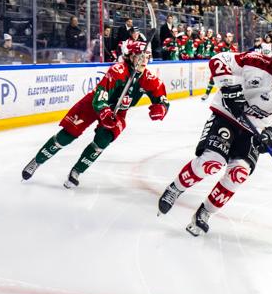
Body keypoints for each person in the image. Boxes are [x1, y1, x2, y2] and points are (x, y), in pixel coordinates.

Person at [157, 39, 272, 237]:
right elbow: (218, 60)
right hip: (226, 116)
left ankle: (205, 212)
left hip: (254, 131)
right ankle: (176, 188)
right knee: (211, 163)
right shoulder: (255, 62)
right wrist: (228, 87)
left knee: (239, 173)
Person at [21, 40, 169, 187]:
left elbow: (162, 98)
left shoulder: (149, 79)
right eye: (140, 56)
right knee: (67, 135)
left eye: (147, 56)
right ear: (130, 56)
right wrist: (104, 111)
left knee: (103, 141)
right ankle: (37, 161)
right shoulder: (118, 71)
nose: (144, 61)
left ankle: (77, 171)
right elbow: (100, 95)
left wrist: (161, 108)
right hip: (92, 105)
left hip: (118, 113)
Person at [202, 33, 240, 101]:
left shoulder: (233, 48)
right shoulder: (220, 45)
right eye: (228, 37)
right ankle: (207, 94)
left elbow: (236, 58)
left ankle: (231, 94)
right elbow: (214, 54)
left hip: (229, 67)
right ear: (225, 38)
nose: (229, 38)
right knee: (213, 78)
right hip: (221, 66)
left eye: (230, 37)